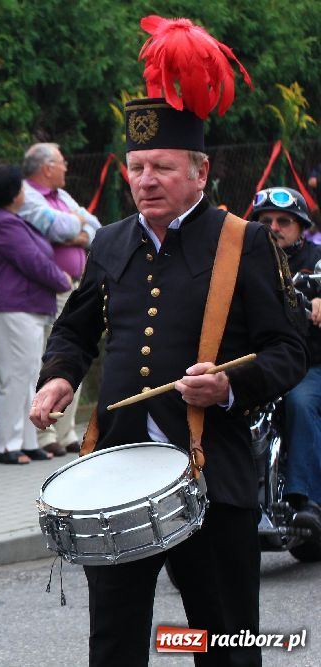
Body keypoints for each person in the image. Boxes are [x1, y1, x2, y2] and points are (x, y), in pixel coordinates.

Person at [30, 16, 307, 666]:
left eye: (161, 166)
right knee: (114, 642)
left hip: (212, 475)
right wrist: (59, 374)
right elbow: (75, 328)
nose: (145, 179)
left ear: (200, 169)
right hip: (118, 474)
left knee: (226, 639)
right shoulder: (111, 241)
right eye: (135, 167)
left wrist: (230, 385)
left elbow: (287, 350)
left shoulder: (245, 241)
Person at [0, 164, 71, 464]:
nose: (24, 193)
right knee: (15, 376)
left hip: (23, 306)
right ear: (12, 193)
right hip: (12, 307)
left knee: (30, 373)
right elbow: (32, 261)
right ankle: (7, 445)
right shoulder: (3, 223)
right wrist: (62, 279)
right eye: (21, 188)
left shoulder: (8, 219)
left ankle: (28, 441)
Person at [19, 142, 101, 455]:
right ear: (46, 167)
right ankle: (43, 433)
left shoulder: (60, 196)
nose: (67, 167)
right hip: (48, 290)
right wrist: (75, 227)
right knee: (50, 359)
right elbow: (55, 226)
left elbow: (95, 229)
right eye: (62, 161)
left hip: (74, 287)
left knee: (72, 358)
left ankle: (67, 431)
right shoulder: (27, 195)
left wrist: (76, 230)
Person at [249, 187, 321, 536]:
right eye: (265, 221)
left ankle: (306, 501)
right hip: (262, 363)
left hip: (308, 367)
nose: (274, 227)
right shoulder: (246, 260)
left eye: (283, 221)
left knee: (300, 403)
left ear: (301, 227)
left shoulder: (316, 258)